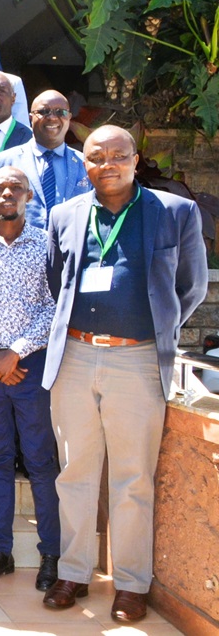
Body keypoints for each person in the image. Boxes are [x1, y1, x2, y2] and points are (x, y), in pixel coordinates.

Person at [40, 126, 207, 623]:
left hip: (136, 362)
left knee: (133, 478)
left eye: (118, 156)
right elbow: (57, 281)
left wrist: (156, 329)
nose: (107, 164)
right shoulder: (64, 215)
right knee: (74, 474)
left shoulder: (175, 212)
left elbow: (192, 286)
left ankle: (131, 584)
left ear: (136, 159)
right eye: (96, 157)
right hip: (73, 357)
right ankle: (73, 572)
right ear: (84, 164)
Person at [0, 167, 61, 592]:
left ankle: (51, 554)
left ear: (28, 197)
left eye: (16, 188)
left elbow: (55, 306)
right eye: (0, 188)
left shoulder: (46, 246)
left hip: (31, 367)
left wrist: (16, 351)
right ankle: (0, 549)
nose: (8, 193)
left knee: (40, 460)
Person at [0, 90, 91, 230]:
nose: (53, 118)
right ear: (31, 118)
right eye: (44, 111)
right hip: (20, 247)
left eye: (60, 112)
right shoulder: (2, 162)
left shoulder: (86, 163)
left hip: (71, 247)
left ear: (69, 118)